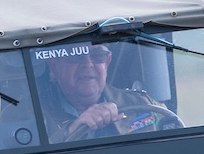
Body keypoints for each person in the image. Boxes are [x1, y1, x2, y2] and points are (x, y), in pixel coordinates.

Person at [38, 43, 171, 142]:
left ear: (107, 63)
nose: (88, 64)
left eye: (98, 56)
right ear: (54, 66)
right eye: (76, 56)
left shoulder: (142, 104)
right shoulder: (34, 115)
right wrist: (71, 130)